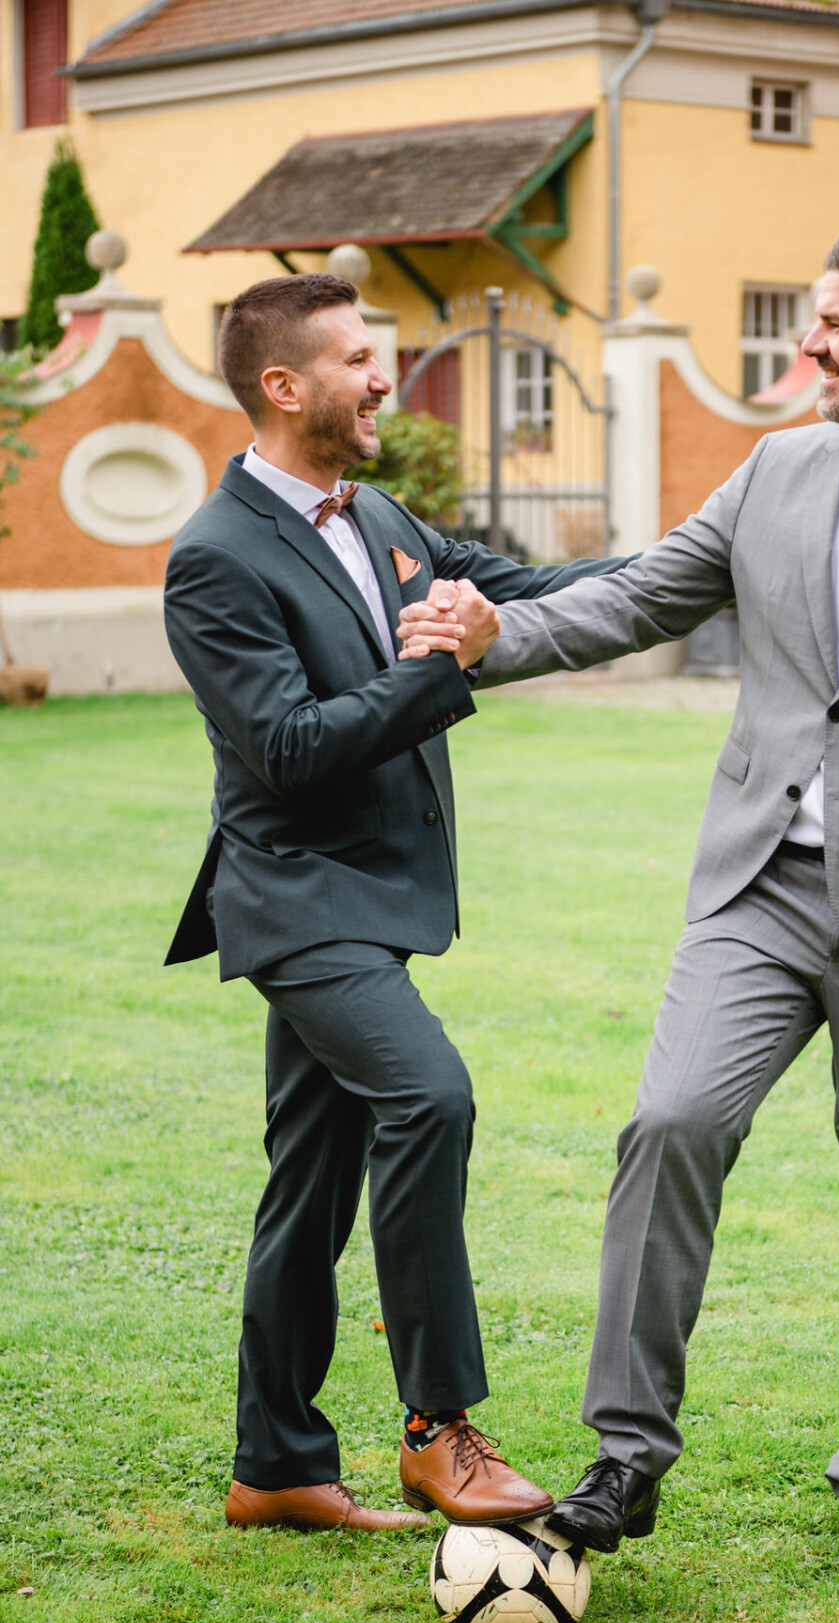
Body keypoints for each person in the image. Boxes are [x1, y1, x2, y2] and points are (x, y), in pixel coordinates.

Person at [397, 230, 839, 1579]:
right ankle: (626, 1458)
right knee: (670, 1123)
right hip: (759, 886)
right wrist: (500, 636)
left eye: (830, 325)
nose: (806, 349)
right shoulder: (779, 466)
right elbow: (648, 593)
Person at [163, 272, 623, 1533]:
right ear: (284, 384)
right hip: (298, 898)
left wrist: (714, 561)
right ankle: (439, 1429)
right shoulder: (212, 558)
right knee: (429, 1097)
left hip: (371, 897)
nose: (383, 378)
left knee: (307, 1184)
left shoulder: (373, 515)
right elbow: (293, 748)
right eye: (362, 357)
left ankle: (277, 1468)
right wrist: (441, 664)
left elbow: (511, 587)